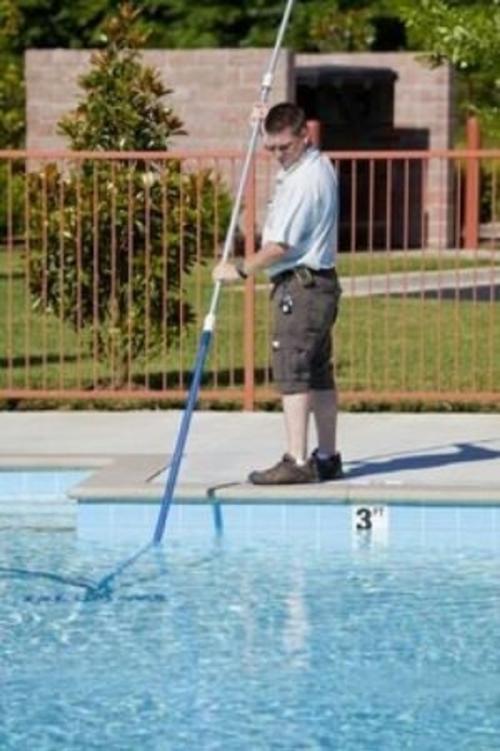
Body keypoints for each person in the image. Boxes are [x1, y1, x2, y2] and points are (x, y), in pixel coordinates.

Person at [213, 102, 342, 484]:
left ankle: (298, 460)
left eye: (283, 147)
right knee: (318, 372)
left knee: (293, 371)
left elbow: (279, 246)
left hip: (301, 287)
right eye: (271, 149)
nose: (277, 155)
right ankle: (328, 456)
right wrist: (260, 121)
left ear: (305, 135)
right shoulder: (316, 163)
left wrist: (238, 268)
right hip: (319, 284)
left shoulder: (305, 182)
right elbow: (280, 132)